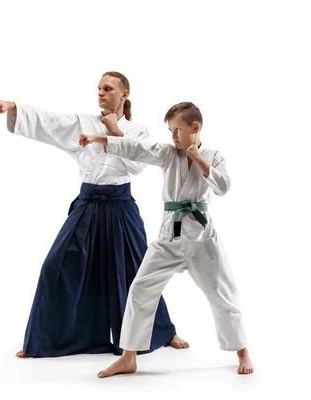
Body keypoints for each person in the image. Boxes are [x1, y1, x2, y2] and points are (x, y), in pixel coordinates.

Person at [0, 72, 188, 358]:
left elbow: (137, 167)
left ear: (125, 94)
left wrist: (114, 131)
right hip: (89, 203)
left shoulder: (138, 130)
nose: (101, 93)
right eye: (99, 88)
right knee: (54, 268)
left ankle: (162, 331)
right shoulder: (83, 124)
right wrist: (13, 107)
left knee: (138, 271)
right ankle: (46, 340)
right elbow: (50, 122)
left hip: (121, 206)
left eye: (108, 88)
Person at [79, 101, 253, 376]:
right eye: (170, 131)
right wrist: (101, 138)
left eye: (177, 131)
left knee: (222, 294)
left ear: (194, 128)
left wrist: (199, 159)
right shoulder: (168, 154)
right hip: (168, 238)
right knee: (140, 290)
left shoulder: (213, 155)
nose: (173, 136)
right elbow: (137, 149)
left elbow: (223, 187)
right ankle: (129, 357)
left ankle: (242, 352)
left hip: (202, 239)